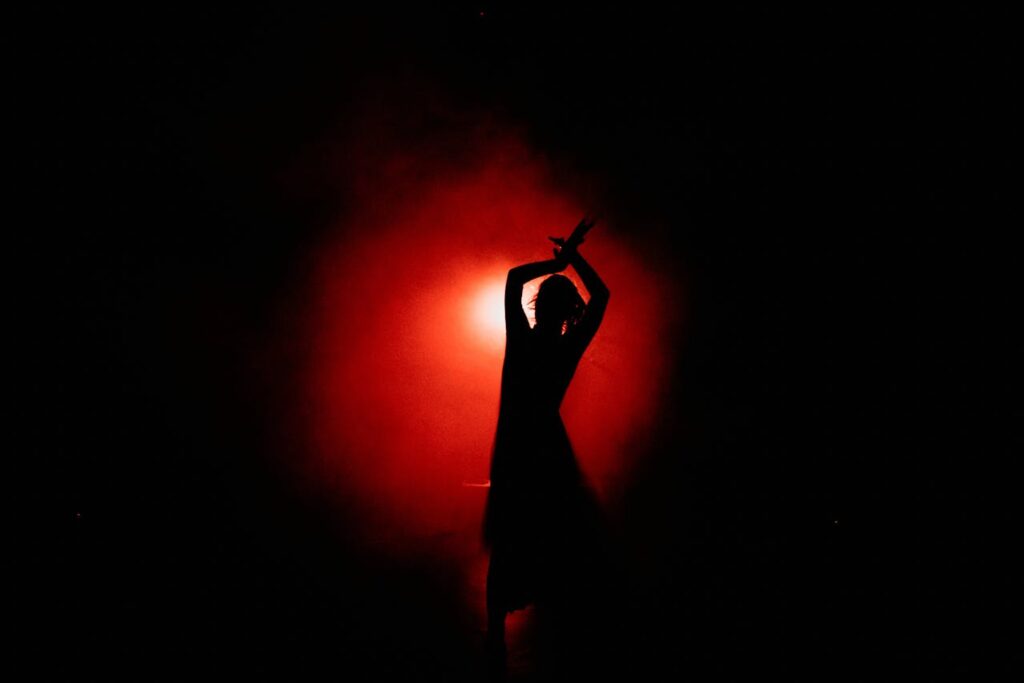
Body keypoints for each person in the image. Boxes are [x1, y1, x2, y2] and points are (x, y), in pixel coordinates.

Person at [481, 217, 611, 670]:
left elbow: (514, 279)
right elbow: (603, 297)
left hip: (516, 446)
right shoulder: (568, 346)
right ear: (569, 310)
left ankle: (496, 638)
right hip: (547, 447)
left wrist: (557, 262)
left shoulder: (521, 338)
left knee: (511, 540)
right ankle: (555, 645)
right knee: (551, 537)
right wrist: (574, 259)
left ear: (539, 308)